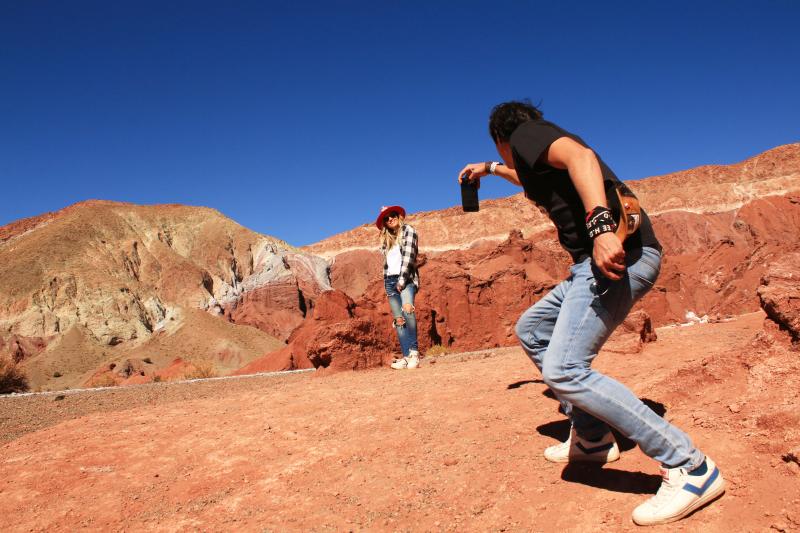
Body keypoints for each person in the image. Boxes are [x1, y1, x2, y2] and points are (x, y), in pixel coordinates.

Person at [458, 101, 725, 526]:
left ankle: (691, 466)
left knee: (564, 370)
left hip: (617, 256)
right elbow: (525, 176)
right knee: (532, 328)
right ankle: (593, 436)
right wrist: (489, 169)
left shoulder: (527, 134)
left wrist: (600, 228)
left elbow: (580, 157)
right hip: (589, 266)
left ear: (502, 138)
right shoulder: (532, 162)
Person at [375, 205, 420, 369]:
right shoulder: (386, 240)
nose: (390, 219)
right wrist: (388, 283)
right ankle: (406, 356)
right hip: (390, 281)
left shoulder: (409, 231)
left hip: (406, 279)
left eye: (392, 215)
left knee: (408, 310)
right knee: (399, 320)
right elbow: (387, 265)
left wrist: (401, 281)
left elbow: (409, 258)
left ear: (398, 216)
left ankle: (414, 353)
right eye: (386, 219)